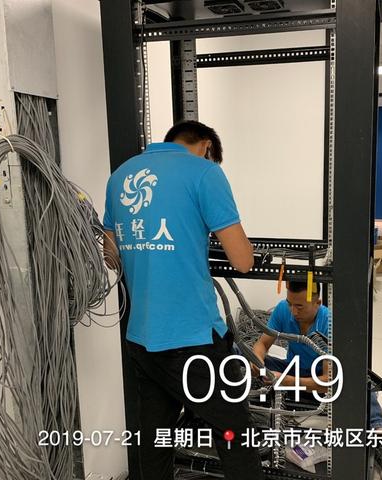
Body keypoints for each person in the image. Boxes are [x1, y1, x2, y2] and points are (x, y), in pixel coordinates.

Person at [103, 120, 263, 480]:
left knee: (155, 441)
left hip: (142, 339)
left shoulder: (119, 176)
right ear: (207, 146)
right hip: (194, 339)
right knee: (236, 436)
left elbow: (111, 256)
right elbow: (243, 260)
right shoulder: (205, 173)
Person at [251, 281, 382, 480]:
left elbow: (327, 382)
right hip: (294, 369)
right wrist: (257, 361)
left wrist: (286, 381)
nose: (293, 312)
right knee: (237, 353)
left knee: (361, 381)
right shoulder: (283, 310)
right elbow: (262, 343)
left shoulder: (329, 322)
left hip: (320, 376)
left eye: (300, 306)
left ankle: (380, 441)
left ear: (318, 303)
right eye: (290, 304)